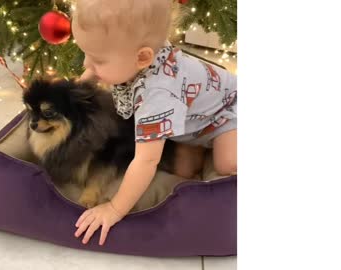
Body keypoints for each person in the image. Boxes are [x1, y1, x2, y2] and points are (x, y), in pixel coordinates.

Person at [72, 0, 237, 246]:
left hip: (228, 111)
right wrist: (80, 86)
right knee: (182, 171)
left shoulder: (157, 95)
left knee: (228, 164)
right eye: (86, 53)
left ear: (142, 57)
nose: (87, 64)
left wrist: (115, 209)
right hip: (194, 123)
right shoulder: (138, 52)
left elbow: (146, 161)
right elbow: (90, 73)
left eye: (97, 59)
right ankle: (200, 147)